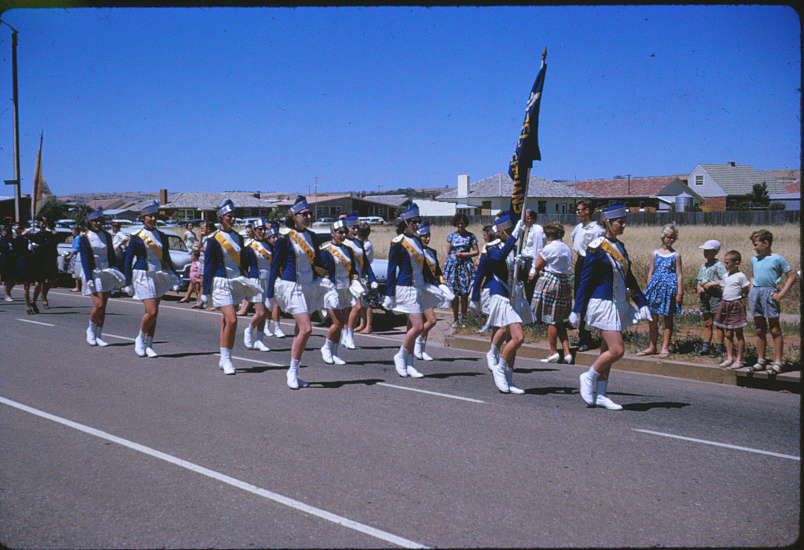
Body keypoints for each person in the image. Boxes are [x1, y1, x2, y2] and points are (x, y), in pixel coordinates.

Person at [570, 202, 652, 410]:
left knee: (606, 351)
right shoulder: (597, 247)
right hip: (602, 303)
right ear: (608, 222)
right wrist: (577, 309)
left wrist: (641, 302)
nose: (623, 225)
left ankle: (601, 394)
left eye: (625, 222)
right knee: (617, 350)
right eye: (620, 222)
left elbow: (629, 277)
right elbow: (585, 280)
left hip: (617, 303)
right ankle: (588, 377)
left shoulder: (620, 247)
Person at [266, 195, 329, 389]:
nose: (308, 216)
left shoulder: (312, 236)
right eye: (304, 214)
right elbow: (275, 265)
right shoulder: (285, 239)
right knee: (307, 328)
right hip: (292, 287)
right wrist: (269, 294)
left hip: (309, 287)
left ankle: (295, 370)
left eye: (310, 213)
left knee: (299, 331)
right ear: (294, 216)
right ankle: (291, 371)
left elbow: (318, 262)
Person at [384, 203, 445, 378]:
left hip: (418, 288)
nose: (417, 224)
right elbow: (391, 270)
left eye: (418, 221)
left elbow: (425, 268)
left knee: (412, 326)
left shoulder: (417, 241)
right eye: (413, 221)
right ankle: (400, 355)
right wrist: (389, 294)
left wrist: (437, 284)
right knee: (418, 326)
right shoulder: (398, 243)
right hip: (405, 288)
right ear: (405, 222)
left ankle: (409, 364)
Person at [469, 212, 527, 393]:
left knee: (511, 339)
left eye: (512, 229)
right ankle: (500, 369)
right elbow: (499, 257)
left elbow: (522, 277)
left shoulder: (514, 248)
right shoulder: (491, 248)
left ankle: (509, 378)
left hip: (513, 294)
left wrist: (523, 264)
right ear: (502, 232)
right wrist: (474, 297)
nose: (511, 232)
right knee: (518, 337)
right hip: (499, 294)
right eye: (508, 230)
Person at [202, 200, 260, 375]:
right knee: (233, 320)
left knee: (226, 321)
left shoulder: (238, 237)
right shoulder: (213, 240)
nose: (233, 219)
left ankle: (223, 355)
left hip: (236, 282)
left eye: (234, 216)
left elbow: (243, 262)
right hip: (221, 282)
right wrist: (205, 291)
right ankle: (227, 358)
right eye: (229, 216)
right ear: (221, 218)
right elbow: (209, 266)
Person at [122, 201, 180, 358]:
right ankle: (140, 339)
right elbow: (128, 260)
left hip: (158, 274)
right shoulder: (136, 237)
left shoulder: (161, 235)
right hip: (142, 274)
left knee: (154, 313)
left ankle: (149, 344)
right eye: (150, 216)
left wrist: (174, 276)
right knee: (151, 310)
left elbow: (166, 257)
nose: (153, 219)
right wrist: (127, 282)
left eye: (155, 216)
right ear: (143, 218)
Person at [747, 229, 797, 375]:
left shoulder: (778, 259)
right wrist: (751, 291)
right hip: (756, 293)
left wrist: (781, 294)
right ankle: (761, 361)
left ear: (766, 243)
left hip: (769, 294)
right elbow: (752, 276)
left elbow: (791, 277)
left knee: (774, 329)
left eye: (756, 245)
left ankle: (778, 363)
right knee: (759, 328)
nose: (754, 248)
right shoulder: (754, 259)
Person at [79, 207, 126, 346]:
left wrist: (115, 270)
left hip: (106, 272)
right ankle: (90, 330)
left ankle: (99, 335)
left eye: (100, 220)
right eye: (95, 221)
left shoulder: (106, 235)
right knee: (98, 305)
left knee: (103, 306)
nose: (98, 223)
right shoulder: (84, 238)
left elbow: (111, 254)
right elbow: (85, 259)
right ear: (90, 222)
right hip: (93, 274)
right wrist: (89, 278)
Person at [529, 220, 573, 364]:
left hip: (550, 281)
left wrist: (541, 256)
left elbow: (537, 266)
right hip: (564, 281)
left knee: (550, 319)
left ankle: (553, 351)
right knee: (559, 319)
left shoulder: (549, 248)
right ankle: (567, 352)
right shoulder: (566, 248)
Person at [637, 223, 683, 359]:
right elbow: (651, 272)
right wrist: (649, 288)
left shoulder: (676, 255)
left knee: (668, 319)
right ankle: (652, 346)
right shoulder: (655, 254)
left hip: (670, 290)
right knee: (652, 318)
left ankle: (665, 347)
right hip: (655, 289)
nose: (671, 240)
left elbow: (679, 274)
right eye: (669, 237)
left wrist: (680, 293)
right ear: (663, 237)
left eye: (673, 238)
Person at [319, 218, 359, 365]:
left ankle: (334, 353)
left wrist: (355, 280)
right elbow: (323, 272)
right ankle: (326, 347)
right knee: (337, 322)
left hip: (345, 289)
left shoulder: (348, 250)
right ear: (332, 233)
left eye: (344, 232)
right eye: (340, 232)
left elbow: (353, 269)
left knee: (341, 323)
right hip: (331, 290)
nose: (343, 235)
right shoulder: (326, 251)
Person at [569, 199, 604, 351]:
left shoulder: (596, 230)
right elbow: (574, 240)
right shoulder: (579, 227)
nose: (577, 212)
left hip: (590, 263)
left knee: (586, 299)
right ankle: (581, 335)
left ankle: (586, 338)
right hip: (580, 262)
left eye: (579, 209)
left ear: (588, 211)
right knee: (578, 298)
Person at [414, 221, 449, 361]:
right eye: (424, 236)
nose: (427, 239)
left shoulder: (432, 252)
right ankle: (416, 344)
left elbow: (437, 272)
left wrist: (442, 283)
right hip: (419, 288)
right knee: (432, 320)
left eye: (429, 236)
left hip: (430, 289)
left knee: (424, 321)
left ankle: (421, 349)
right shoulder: (415, 252)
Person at [341, 215, 378, 348]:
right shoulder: (343, 243)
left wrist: (372, 279)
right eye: (352, 228)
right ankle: (346, 334)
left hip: (357, 280)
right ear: (347, 228)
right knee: (348, 309)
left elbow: (366, 264)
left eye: (357, 228)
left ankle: (349, 335)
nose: (355, 231)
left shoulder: (360, 243)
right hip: (345, 279)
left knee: (357, 307)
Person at [242, 218, 275, 353]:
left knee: (266, 313)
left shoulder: (269, 246)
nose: (262, 232)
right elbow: (244, 265)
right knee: (260, 312)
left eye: (264, 229)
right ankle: (249, 329)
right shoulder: (249, 246)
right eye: (259, 230)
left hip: (268, 281)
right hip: (256, 281)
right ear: (254, 231)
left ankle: (260, 340)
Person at [713, 250, 750, 369]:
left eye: (727, 263)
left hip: (736, 305)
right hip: (725, 304)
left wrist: (738, 299)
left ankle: (739, 359)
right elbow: (724, 288)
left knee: (738, 333)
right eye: (725, 262)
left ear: (736, 263)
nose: (725, 265)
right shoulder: (725, 276)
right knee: (728, 333)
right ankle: (729, 358)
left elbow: (745, 291)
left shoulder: (741, 276)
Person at [443, 213, 479, 326]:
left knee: (464, 294)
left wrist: (464, 254)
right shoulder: (451, 236)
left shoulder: (471, 236)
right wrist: (445, 267)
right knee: (454, 294)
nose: (460, 226)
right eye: (458, 223)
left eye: (462, 223)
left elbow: (476, 251)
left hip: (465, 266)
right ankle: (455, 319)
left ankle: (464, 317)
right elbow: (447, 253)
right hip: (453, 266)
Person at [695, 239, 727, 357]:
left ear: (715, 252)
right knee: (707, 322)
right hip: (704, 295)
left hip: (715, 295)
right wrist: (699, 287)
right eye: (705, 251)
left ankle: (719, 347)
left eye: (708, 251)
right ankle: (706, 346)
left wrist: (711, 284)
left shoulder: (718, 265)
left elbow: (724, 280)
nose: (705, 253)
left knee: (718, 321)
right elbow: (699, 279)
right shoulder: (704, 265)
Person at [354, 222, 380, 334]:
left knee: (368, 303)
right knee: (362, 302)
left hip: (366, 275)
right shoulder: (359, 243)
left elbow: (365, 261)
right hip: (360, 274)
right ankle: (362, 323)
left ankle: (368, 325)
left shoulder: (366, 245)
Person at [29, 216, 59, 311]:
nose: (43, 224)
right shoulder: (36, 235)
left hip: (49, 260)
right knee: (39, 283)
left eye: (44, 222)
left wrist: (51, 227)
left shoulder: (50, 234)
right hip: (39, 261)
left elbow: (56, 238)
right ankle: (39, 300)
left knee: (50, 281)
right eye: (41, 222)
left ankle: (41, 298)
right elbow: (31, 246)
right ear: (38, 224)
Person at [519, 209, 545, 304]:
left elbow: (538, 251)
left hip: (532, 263)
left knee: (532, 292)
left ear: (529, 219)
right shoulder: (530, 229)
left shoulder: (537, 230)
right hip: (526, 262)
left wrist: (533, 270)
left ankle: (534, 316)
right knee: (528, 291)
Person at [64, 224, 83, 292]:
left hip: (76, 257)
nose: (72, 233)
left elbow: (76, 249)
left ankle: (77, 287)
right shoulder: (77, 238)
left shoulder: (77, 238)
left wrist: (70, 256)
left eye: (73, 231)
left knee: (75, 272)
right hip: (76, 256)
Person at [0, 225, 15, 301]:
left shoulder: (13, 241)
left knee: (14, 280)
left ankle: (8, 291)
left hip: (12, 261)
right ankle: (7, 295)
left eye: (6, 234)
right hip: (3, 261)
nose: (4, 235)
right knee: (6, 279)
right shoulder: (1, 241)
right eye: (3, 234)